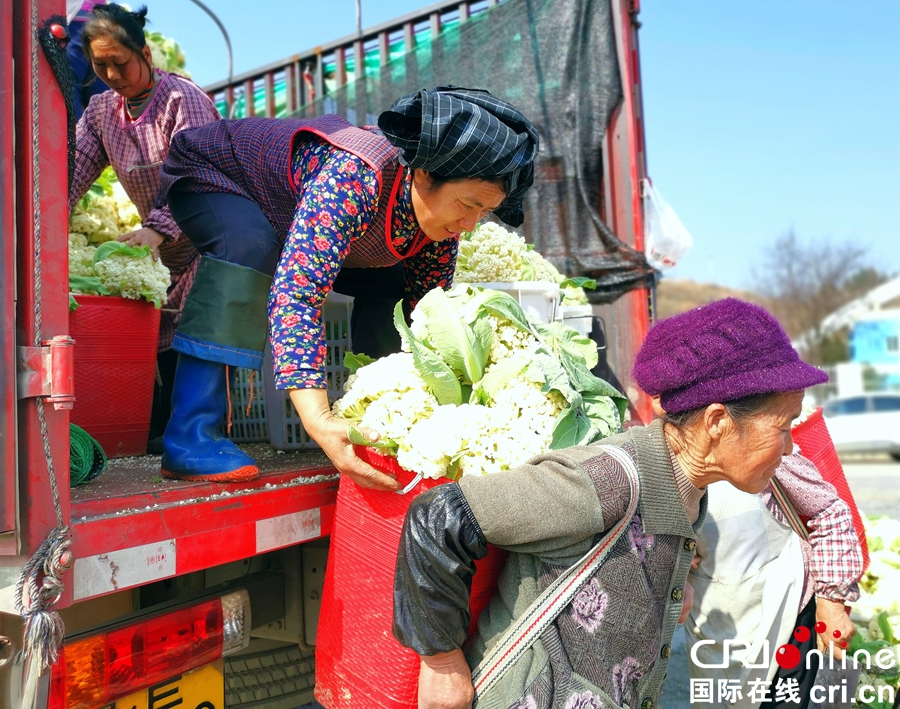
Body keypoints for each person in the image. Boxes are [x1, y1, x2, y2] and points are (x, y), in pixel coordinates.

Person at [391, 298, 839, 709]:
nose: (787, 449)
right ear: (718, 422)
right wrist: (443, 663)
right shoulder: (604, 483)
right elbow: (437, 516)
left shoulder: (689, 487)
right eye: (783, 427)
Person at [156, 86, 539, 484]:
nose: (470, 224)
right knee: (249, 248)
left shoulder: (440, 226)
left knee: (396, 282)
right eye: (467, 204)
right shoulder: (355, 176)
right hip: (215, 171)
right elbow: (298, 294)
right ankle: (190, 436)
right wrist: (319, 419)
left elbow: (425, 315)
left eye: (485, 212)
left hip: (293, 210)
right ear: (424, 174)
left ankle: (370, 418)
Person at [69, 3, 221, 447]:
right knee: (157, 334)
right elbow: (75, 169)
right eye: (101, 66)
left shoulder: (181, 99)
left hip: (209, 235)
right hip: (163, 246)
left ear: (146, 53)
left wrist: (157, 227)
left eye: (121, 62)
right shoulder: (100, 113)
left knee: (192, 331)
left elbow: (197, 172)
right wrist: (46, 216)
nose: (113, 75)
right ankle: (157, 432)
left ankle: (192, 438)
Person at [684, 449, 861, 709]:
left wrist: (832, 602)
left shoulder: (767, 444)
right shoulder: (662, 456)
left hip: (785, 614)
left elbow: (829, 513)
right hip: (714, 624)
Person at [66, 0, 109, 119]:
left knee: (67, 82)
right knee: (102, 100)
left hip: (78, 21)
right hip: (102, 23)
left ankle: (76, 136)